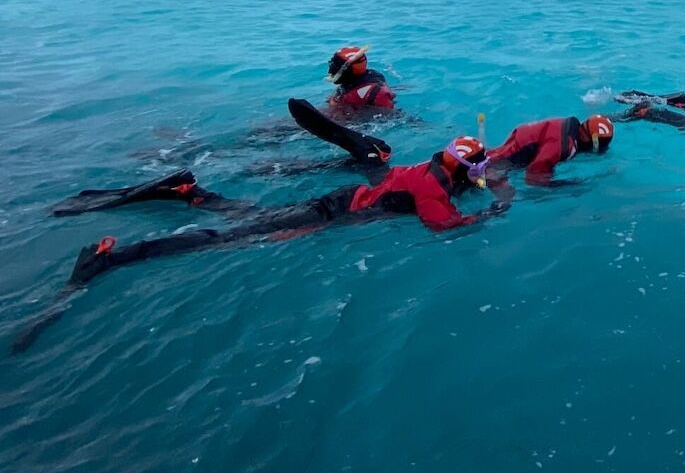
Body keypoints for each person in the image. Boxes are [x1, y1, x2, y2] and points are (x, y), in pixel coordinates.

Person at [59, 136, 512, 286]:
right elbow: (443, 227)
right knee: (237, 238)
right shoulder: (434, 189)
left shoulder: (428, 168)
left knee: (253, 219)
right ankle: (113, 259)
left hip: (341, 200)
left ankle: (194, 194)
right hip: (333, 215)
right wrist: (492, 212)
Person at [487, 114, 615, 183]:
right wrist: (563, 185)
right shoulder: (563, 147)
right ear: (589, 139)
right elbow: (533, 176)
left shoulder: (571, 127)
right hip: (515, 154)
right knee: (506, 196)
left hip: (521, 140)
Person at [326, 45, 396, 113]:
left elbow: (391, 115)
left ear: (349, 71)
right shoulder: (351, 84)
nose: (331, 71)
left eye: (335, 67)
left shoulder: (375, 93)